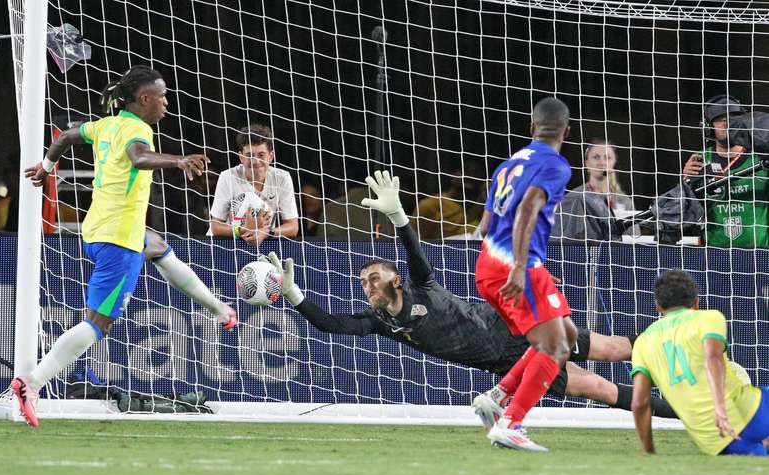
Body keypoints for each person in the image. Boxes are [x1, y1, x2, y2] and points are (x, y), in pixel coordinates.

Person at [259, 170, 676, 429]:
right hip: (508, 363)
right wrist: (295, 295)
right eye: (363, 281)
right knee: (601, 389)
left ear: (396, 281)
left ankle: (680, 350)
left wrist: (399, 217)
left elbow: (416, 254)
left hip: (517, 326)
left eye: (373, 277)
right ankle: (683, 411)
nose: (366, 285)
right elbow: (332, 325)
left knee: (616, 348)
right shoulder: (384, 323)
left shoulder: (420, 286)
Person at [11, 65, 238, 427]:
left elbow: (66, 136)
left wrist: (46, 165)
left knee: (158, 246)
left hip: (99, 228)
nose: (166, 102)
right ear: (144, 99)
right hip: (119, 240)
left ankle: (219, 308)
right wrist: (178, 161)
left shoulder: (105, 124)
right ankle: (31, 384)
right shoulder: (136, 128)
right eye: (162, 95)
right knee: (97, 324)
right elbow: (139, 158)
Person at [472, 97, 576, 452]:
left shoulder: (507, 165)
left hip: (490, 263)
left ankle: (497, 397)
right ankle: (511, 422)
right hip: (514, 266)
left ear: (532, 128)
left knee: (568, 333)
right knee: (554, 346)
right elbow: (529, 208)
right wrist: (520, 266)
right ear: (567, 130)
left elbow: (485, 227)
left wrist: (529, 266)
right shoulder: (557, 166)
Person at [631, 270, 769, 455]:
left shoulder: (642, 342)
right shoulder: (708, 317)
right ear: (696, 302)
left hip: (714, 439)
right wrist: (720, 408)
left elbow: (639, 403)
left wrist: (648, 451)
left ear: (658, 306)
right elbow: (713, 358)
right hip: (749, 411)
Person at [682, 95, 768, 247]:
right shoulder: (700, 160)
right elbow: (688, 212)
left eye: (734, 116)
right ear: (708, 126)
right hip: (715, 252)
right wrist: (686, 182)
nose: (728, 123)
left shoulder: (761, 157)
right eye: (721, 119)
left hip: (760, 252)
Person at [208, 123, 298, 244]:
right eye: (249, 155)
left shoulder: (282, 178)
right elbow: (216, 227)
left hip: (263, 241)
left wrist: (266, 232)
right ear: (241, 157)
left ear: (271, 156)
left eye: (261, 155)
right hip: (226, 244)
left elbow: (293, 227)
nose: (255, 161)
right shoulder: (227, 177)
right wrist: (244, 230)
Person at [553, 139, 631, 241]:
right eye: (596, 157)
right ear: (587, 163)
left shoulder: (625, 201)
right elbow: (557, 237)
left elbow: (633, 238)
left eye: (608, 157)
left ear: (614, 163)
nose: (602, 162)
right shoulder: (573, 198)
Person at [414, 162, 486, 239]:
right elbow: (416, 238)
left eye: (475, 173)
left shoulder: (482, 207)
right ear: (452, 175)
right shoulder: (431, 205)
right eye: (465, 171)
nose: (470, 176)